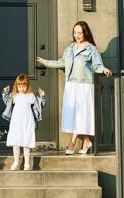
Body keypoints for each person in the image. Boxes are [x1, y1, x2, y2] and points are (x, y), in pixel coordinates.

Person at [36, 21, 112, 154]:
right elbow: (62, 62)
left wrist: (104, 69)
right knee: (74, 115)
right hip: (71, 85)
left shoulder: (91, 49)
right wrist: (46, 62)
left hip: (84, 86)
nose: (77, 35)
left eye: (80, 33)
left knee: (81, 114)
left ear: (85, 33)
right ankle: (86, 141)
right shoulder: (70, 48)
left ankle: (72, 144)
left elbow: (97, 66)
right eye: (75, 33)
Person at [1, 73, 46, 171]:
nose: (21, 88)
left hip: (27, 121)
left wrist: (42, 96)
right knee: (15, 142)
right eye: (19, 86)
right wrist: (5, 93)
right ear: (17, 86)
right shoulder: (14, 95)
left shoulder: (31, 96)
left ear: (27, 85)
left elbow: (40, 105)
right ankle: (16, 161)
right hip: (16, 122)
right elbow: (7, 102)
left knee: (26, 142)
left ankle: (27, 163)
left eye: (24, 86)